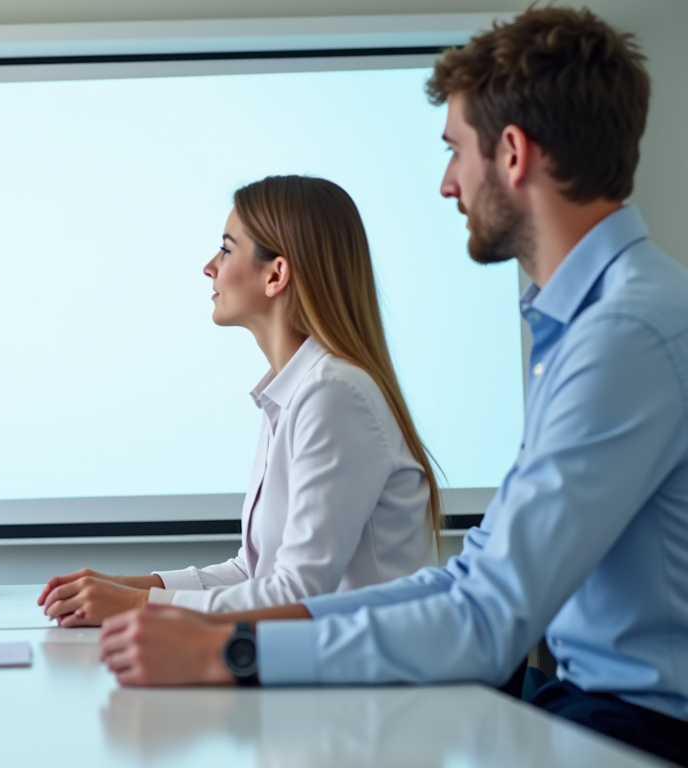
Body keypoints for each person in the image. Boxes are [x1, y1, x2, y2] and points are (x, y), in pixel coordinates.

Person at [97, 8, 688, 766]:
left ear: (513, 154)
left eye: (455, 152)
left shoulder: (624, 334)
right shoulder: (590, 323)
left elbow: (487, 618)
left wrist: (233, 651)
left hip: (635, 729)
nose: (446, 184)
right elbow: (468, 579)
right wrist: (222, 629)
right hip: (586, 705)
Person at [38, 175, 441, 627]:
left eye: (226, 250)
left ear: (276, 275)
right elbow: (254, 573)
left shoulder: (333, 394)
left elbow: (297, 593)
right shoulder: (295, 390)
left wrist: (136, 606)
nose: (209, 267)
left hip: (371, 667)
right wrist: (126, 586)